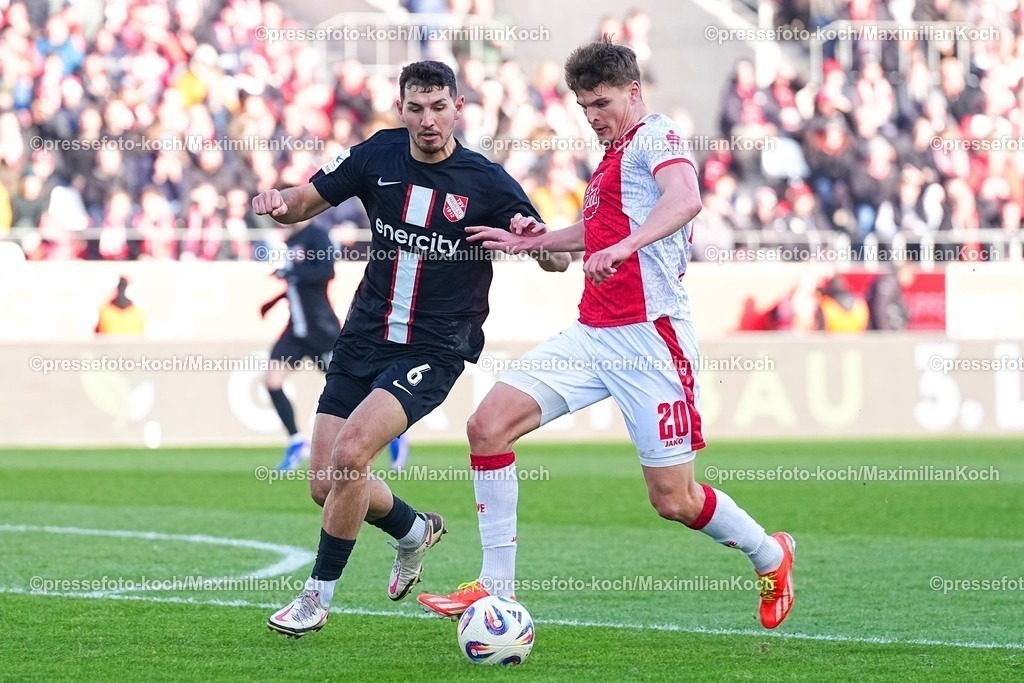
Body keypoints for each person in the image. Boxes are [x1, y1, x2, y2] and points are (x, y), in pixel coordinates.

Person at [418, 40, 796, 630]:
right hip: (593, 334)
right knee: (487, 426)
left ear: (634, 92)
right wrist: (533, 242)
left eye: (601, 101)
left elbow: (686, 199)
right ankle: (493, 588)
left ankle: (771, 555)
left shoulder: (657, 136)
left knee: (674, 499)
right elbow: (593, 232)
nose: (592, 114)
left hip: (650, 342)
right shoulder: (611, 155)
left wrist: (624, 246)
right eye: (583, 104)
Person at [252, 60, 569, 638]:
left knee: (351, 456)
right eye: (416, 108)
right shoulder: (377, 154)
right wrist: (277, 200)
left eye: (438, 107)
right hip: (364, 334)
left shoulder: (486, 181)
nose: (428, 120)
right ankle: (414, 531)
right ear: (401, 109)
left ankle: (316, 597)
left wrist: (535, 244)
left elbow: (556, 257)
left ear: (458, 107)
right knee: (325, 483)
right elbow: (305, 201)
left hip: (435, 346)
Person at [260, 221, 342, 471]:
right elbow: (296, 284)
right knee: (272, 381)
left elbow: (326, 272)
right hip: (295, 329)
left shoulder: (317, 236)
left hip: (321, 328)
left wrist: (292, 273)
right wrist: (273, 301)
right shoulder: (291, 240)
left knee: (350, 385)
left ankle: (393, 434)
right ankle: (297, 441)